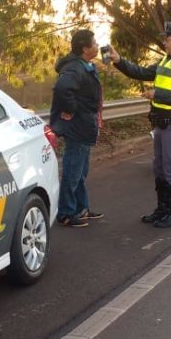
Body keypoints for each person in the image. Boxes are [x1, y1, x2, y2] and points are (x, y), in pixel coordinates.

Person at [107, 21, 171, 228]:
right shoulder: (166, 61)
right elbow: (140, 72)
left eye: (168, 38)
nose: (165, 42)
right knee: (159, 168)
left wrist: (157, 94)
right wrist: (118, 60)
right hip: (160, 123)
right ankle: (162, 209)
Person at [49, 29, 104, 228]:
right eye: (94, 43)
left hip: (84, 125)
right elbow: (63, 89)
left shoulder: (84, 65)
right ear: (85, 48)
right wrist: (72, 109)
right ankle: (65, 213)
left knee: (81, 171)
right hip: (78, 126)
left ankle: (82, 208)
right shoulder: (74, 68)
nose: (97, 46)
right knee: (73, 171)